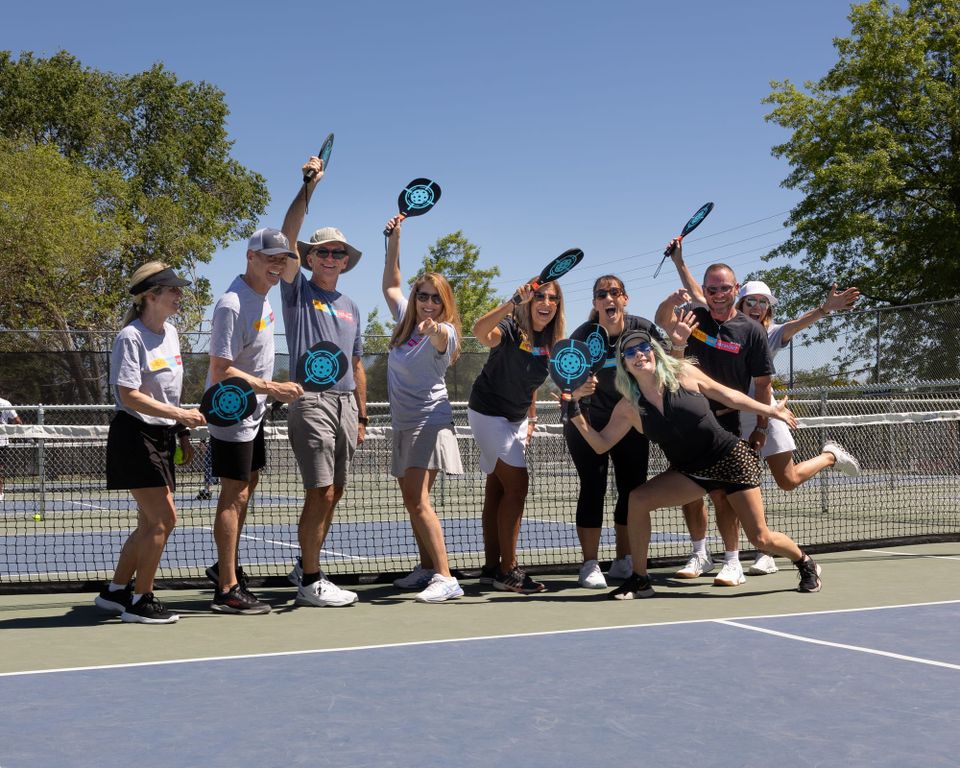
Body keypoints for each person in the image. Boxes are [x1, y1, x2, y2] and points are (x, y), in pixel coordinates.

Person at [569, 326, 823, 599]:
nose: (639, 354)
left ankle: (805, 563)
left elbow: (728, 395)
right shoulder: (629, 407)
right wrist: (573, 408)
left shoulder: (683, 374)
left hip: (731, 460)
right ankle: (640, 579)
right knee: (638, 500)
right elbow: (600, 443)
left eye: (644, 348)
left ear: (654, 353)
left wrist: (770, 411)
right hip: (690, 472)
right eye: (630, 352)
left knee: (760, 538)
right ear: (625, 365)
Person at [656, 246, 775, 587]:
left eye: (725, 288)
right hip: (688, 423)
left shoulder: (752, 332)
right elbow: (663, 320)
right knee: (690, 491)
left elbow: (763, 384)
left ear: (736, 289)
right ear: (704, 292)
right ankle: (699, 553)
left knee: (724, 494)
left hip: (727, 422)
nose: (718, 294)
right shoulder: (693, 317)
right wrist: (670, 298)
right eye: (711, 289)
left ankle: (732, 561)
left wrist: (762, 426)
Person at [94, 262, 206, 624]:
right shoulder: (131, 337)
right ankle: (141, 599)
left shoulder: (171, 333)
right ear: (150, 296)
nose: (179, 295)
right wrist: (180, 415)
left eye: (178, 289)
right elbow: (129, 395)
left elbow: (168, 390)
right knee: (164, 520)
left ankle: (114, 592)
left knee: (148, 524)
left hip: (162, 435)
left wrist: (181, 430)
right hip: (134, 435)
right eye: (172, 290)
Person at [278, 155, 365, 608]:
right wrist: (307, 187)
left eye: (338, 253)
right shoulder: (297, 290)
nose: (332, 257)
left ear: (345, 262)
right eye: (324, 252)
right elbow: (286, 234)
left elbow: (356, 360)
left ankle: (303, 564)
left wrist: (362, 412)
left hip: (346, 404)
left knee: (337, 490)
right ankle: (311, 578)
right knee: (321, 488)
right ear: (309, 258)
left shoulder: (351, 303)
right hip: (310, 400)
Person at [205, 228, 304, 615]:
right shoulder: (233, 303)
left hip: (254, 413)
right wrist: (271, 386)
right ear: (251, 257)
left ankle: (223, 569)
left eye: (283, 258)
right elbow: (220, 368)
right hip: (232, 412)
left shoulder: (264, 298)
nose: (278, 265)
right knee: (234, 495)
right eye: (270, 258)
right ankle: (227, 589)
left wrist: (267, 394)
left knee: (245, 490)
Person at [735, 280, 862, 575]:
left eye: (762, 302)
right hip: (735, 421)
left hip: (769, 415)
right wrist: (679, 262)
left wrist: (824, 309)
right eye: (750, 301)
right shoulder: (725, 333)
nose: (756, 307)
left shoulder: (772, 333)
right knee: (743, 488)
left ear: (768, 307)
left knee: (788, 481)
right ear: (739, 304)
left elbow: (796, 324)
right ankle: (763, 553)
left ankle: (830, 456)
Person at [381, 215, 465, 603]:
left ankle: (446, 577)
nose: (428, 303)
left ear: (443, 304)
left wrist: (433, 329)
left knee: (419, 500)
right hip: (404, 424)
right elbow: (391, 282)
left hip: (428, 423)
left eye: (436, 298)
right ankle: (428, 566)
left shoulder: (443, 332)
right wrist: (396, 239)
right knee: (414, 500)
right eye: (423, 295)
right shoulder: (403, 318)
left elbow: (440, 334)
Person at [565, 275, 668, 588]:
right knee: (592, 487)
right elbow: (565, 381)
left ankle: (624, 560)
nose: (608, 298)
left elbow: (666, 365)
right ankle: (590, 564)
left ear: (625, 298)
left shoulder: (643, 330)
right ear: (595, 303)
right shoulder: (583, 335)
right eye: (601, 294)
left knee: (632, 490)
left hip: (631, 420)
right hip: (588, 420)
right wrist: (578, 390)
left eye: (614, 292)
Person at [467, 277, 565, 593]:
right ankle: (508, 571)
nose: (546, 303)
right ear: (529, 301)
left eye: (552, 298)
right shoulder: (511, 328)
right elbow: (479, 332)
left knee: (497, 488)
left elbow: (531, 384)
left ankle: (491, 568)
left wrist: (531, 419)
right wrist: (512, 303)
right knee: (518, 485)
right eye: (539, 297)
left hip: (517, 420)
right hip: (487, 412)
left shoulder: (552, 342)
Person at [0, 395, 23, 503]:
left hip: (1, 442)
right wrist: (13, 434)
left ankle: (0, 493)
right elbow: (18, 421)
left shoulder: (5, 403)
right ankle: (0, 493)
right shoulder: (5, 403)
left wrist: (13, 435)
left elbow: (18, 421)